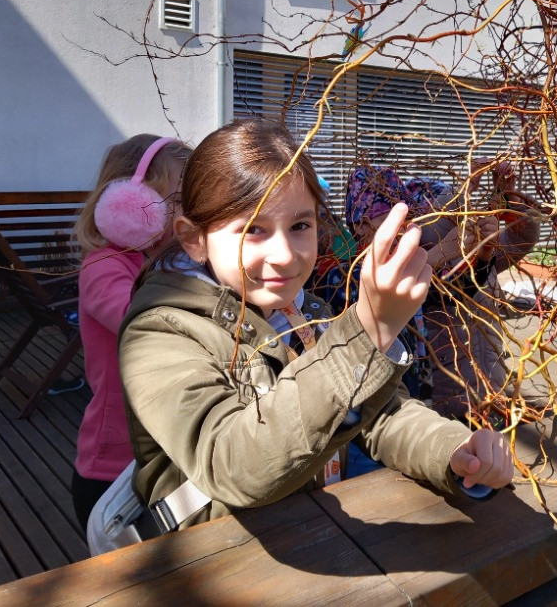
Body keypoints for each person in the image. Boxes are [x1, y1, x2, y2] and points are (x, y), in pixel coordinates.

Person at [115, 119, 513, 536]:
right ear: (194, 239)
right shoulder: (159, 333)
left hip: (312, 531)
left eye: (299, 226)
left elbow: (377, 414)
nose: (285, 255)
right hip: (213, 552)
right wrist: (368, 331)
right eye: (253, 229)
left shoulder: (305, 312)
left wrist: (452, 449)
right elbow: (231, 463)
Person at [344, 160, 542, 422]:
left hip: (490, 389)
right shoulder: (413, 267)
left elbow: (518, 240)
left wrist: (507, 199)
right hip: (447, 401)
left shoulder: (472, 252)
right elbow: (445, 291)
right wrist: (464, 193)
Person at [70, 133, 192, 531]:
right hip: (112, 469)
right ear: (130, 205)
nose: (189, 212)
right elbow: (143, 320)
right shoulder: (104, 266)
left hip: (162, 453)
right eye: (177, 200)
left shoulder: (166, 261)